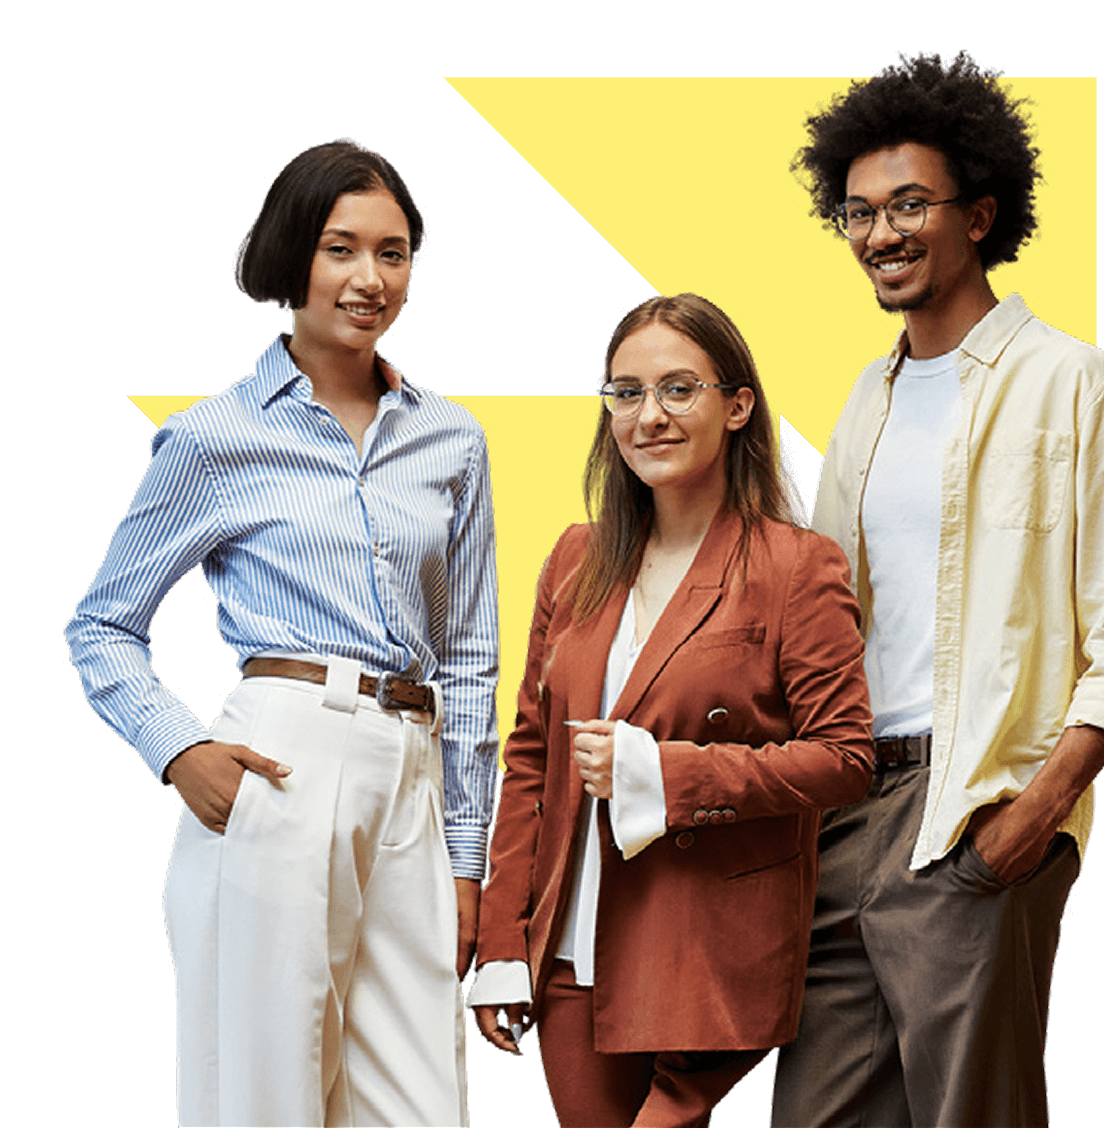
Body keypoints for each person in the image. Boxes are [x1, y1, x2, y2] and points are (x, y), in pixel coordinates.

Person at [769, 54, 1104, 1128]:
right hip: (850, 810)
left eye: (908, 204)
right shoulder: (864, 395)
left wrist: (1032, 818)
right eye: (856, 213)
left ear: (979, 211)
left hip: (972, 812)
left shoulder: (1072, 382)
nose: (880, 234)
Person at [65, 138, 498, 1127]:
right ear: (289, 257)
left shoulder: (451, 437)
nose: (368, 277)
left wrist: (468, 853)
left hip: (414, 779)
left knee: (421, 1106)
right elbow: (104, 625)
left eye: (392, 253)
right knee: (264, 1101)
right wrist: (178, 751)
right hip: (280, 764)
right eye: (339, 248)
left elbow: (469, 657)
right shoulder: (214, 437)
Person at [467, 293, 875, 1127]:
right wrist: (506, 945)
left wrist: (666, 772)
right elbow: (533, 763)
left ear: (738, 406)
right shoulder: (576, 559)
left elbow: (846, 757)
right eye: (625, 393)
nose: (648, 415)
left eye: (678, 389)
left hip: (710, 944)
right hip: (573, 949)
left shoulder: (796, 566)